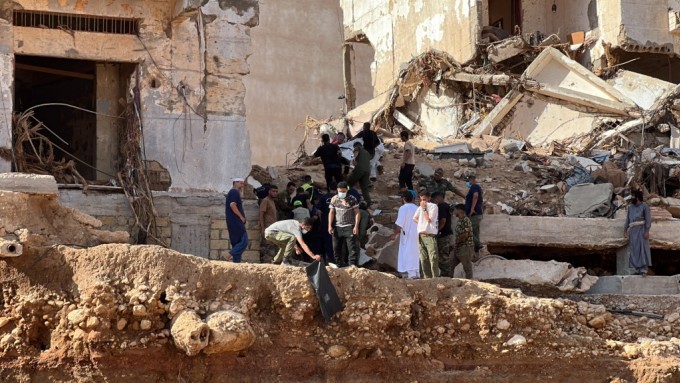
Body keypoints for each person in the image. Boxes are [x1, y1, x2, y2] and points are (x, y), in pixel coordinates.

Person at [328, 181, 360, 267]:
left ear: (346, 190)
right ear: (337, 190)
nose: (341, 193)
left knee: (351, 249)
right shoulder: (334, 199)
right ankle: (339, 266)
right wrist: (329, 225)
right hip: (337, 227)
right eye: (340, 191)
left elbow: (357, 213)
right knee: (336, 249)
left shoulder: (352, 199)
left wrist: (356, 226)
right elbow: (331, 212)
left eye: (343, 191)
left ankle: (352, 267)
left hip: (349, 226)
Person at [392, 191, 420, 279]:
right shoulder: (417, 208)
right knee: (416, 254)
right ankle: (416, 273)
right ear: (413, 198)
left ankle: (412, 275)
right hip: (418, 235)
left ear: (403, 199)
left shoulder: (403, 208)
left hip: (408, 235)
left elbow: (400, 224)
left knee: (408, 254)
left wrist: (394, 234)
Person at [624, 190, 652, 275]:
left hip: (641, 230)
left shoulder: (645, 206)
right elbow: (628, 219)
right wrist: (625, 229)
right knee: (634, 250)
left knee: (642, 249)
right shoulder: (630, 207)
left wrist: (647, 231)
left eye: (633, 196)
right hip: (633, 231)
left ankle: (644, 269)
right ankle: (637, 269)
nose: (632, 198)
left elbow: (648, 219)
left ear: (637, 197)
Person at [413, 190, 439, 278]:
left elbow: (429, 219)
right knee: (423, 258)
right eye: (421, 200)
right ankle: (427, 277)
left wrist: (424, 209)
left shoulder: (433, 206)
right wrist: (421, 224)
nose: (423, 201)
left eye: (424, 199)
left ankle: (435, 277)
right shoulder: (419, 207)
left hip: (429, 235)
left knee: (433, 257)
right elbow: (414, 218)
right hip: (421, 236)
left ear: (429, 198)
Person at [225, 177, 248, 263]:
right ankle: (229, 254)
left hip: (232, 222)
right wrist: (241, 217)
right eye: (241, 183)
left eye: (243, 183)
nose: (242, 185)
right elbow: (232, 205)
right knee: (244, 241)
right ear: (235, 182)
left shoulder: (232, 192)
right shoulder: (234, 192)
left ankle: (236, 264)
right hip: (236, 221)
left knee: (236, 243)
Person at [433, 192, 454, 277]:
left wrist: (437, 230)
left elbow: (443, 221)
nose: (434, 201)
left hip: (443, 235)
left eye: (435, 199)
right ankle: (445, 274)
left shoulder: (441, 207)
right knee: (444, 255)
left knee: (443, 256)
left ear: (438, 197)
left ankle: (445, 275)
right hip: (447, 234)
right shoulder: (446, 206)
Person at [452, 204, 474, 279]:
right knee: (450, 264)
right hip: (459, 247)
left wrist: (457, 243)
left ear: (460, 210)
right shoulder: (460, 220)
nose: (454, 212)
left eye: (455, 210)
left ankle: (470, 284)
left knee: (467, 267)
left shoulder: (466, 220)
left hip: (465, 247)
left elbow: (465, 235)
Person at [347, 142, 372, 206]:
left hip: (359, 170)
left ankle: (345, 197)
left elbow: (355, 154)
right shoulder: (367, 152)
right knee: (364, 188)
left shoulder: (357, 148)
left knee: (349, 183)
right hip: (367, 171)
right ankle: (368, 202)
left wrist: (352, 157)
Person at [464, 174, 484, 253]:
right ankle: (476, 250)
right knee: (475, 232)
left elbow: (475, 196)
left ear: (472, 180)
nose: (468, 182)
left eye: (469, 180)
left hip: (474, 214)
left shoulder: (474, 186)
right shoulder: (475, 187)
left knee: (467, 231)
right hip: (477, 214)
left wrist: (472, 209)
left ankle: (478, 244)